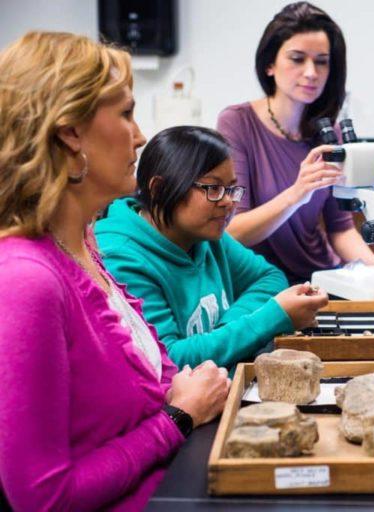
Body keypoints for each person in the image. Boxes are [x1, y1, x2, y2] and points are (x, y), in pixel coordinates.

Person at [0, 32, 230, 510]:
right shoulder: (28, 281)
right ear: (69, 133)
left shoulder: (84, 243)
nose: (141, 135)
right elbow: (44, 497)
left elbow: (160, 372)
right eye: (126, 113)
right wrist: (177, 419)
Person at [95, 126, 329, 371]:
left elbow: (270, 278)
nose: (228, 202)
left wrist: (226, 328)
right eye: (214, 189)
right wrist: (271, 317)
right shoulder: (122, 257)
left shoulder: (206, 235)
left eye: (230, 189)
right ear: (159, 189)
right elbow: (168, 360)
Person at [217, 1, 374, 284]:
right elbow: (233, 231)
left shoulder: (329, 134)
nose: (311, 72)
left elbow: (341, 231)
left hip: (319, 279)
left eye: (321, 61)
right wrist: (298, 192)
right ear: (270, 64)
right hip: (260, 286)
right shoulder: (237, 123)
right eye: (297, 58)